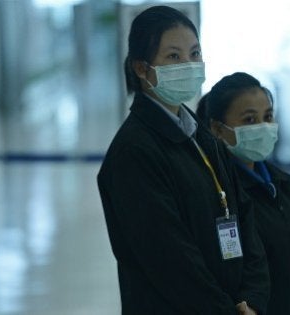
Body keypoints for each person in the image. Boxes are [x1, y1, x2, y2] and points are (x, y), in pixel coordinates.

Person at [97, 7, 269, 315]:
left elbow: (244, 217)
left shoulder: (200, 136)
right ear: (141, 68)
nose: (188, 65)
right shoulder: (134, 152)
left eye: (194, 53)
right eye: (173, 57)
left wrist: (252, 298)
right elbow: (169, 259)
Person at [196, 72, 290, 315]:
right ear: (217, 128)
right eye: (249, 120)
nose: (262, 127)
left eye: (268, 117)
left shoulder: (286, 189)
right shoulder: (219, 197)